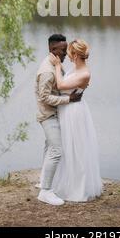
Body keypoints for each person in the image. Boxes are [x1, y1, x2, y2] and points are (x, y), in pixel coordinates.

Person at [50, 39, 102, 202]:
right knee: (66, 147)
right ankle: (65, 182)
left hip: (75, 112)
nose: (67, 55)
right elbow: (66, 82)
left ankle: (78, 188)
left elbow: (61, 85)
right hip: (67, 109)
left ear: (76, 55)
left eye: (70, 53)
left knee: (77, 148)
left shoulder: (85, 73)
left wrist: (57, 66)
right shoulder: (75, 68)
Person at [35, 34, 82, 206]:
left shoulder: (53, 64)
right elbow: (45, 97)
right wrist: (68, 100)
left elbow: (61, 84)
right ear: (52, 49)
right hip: (48, 115)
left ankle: (43, 181)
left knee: (49, 146)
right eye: (62, 50)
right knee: (56, 150)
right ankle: (45, 191)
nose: (65, 54)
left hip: (54, 113)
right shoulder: (47, 71)